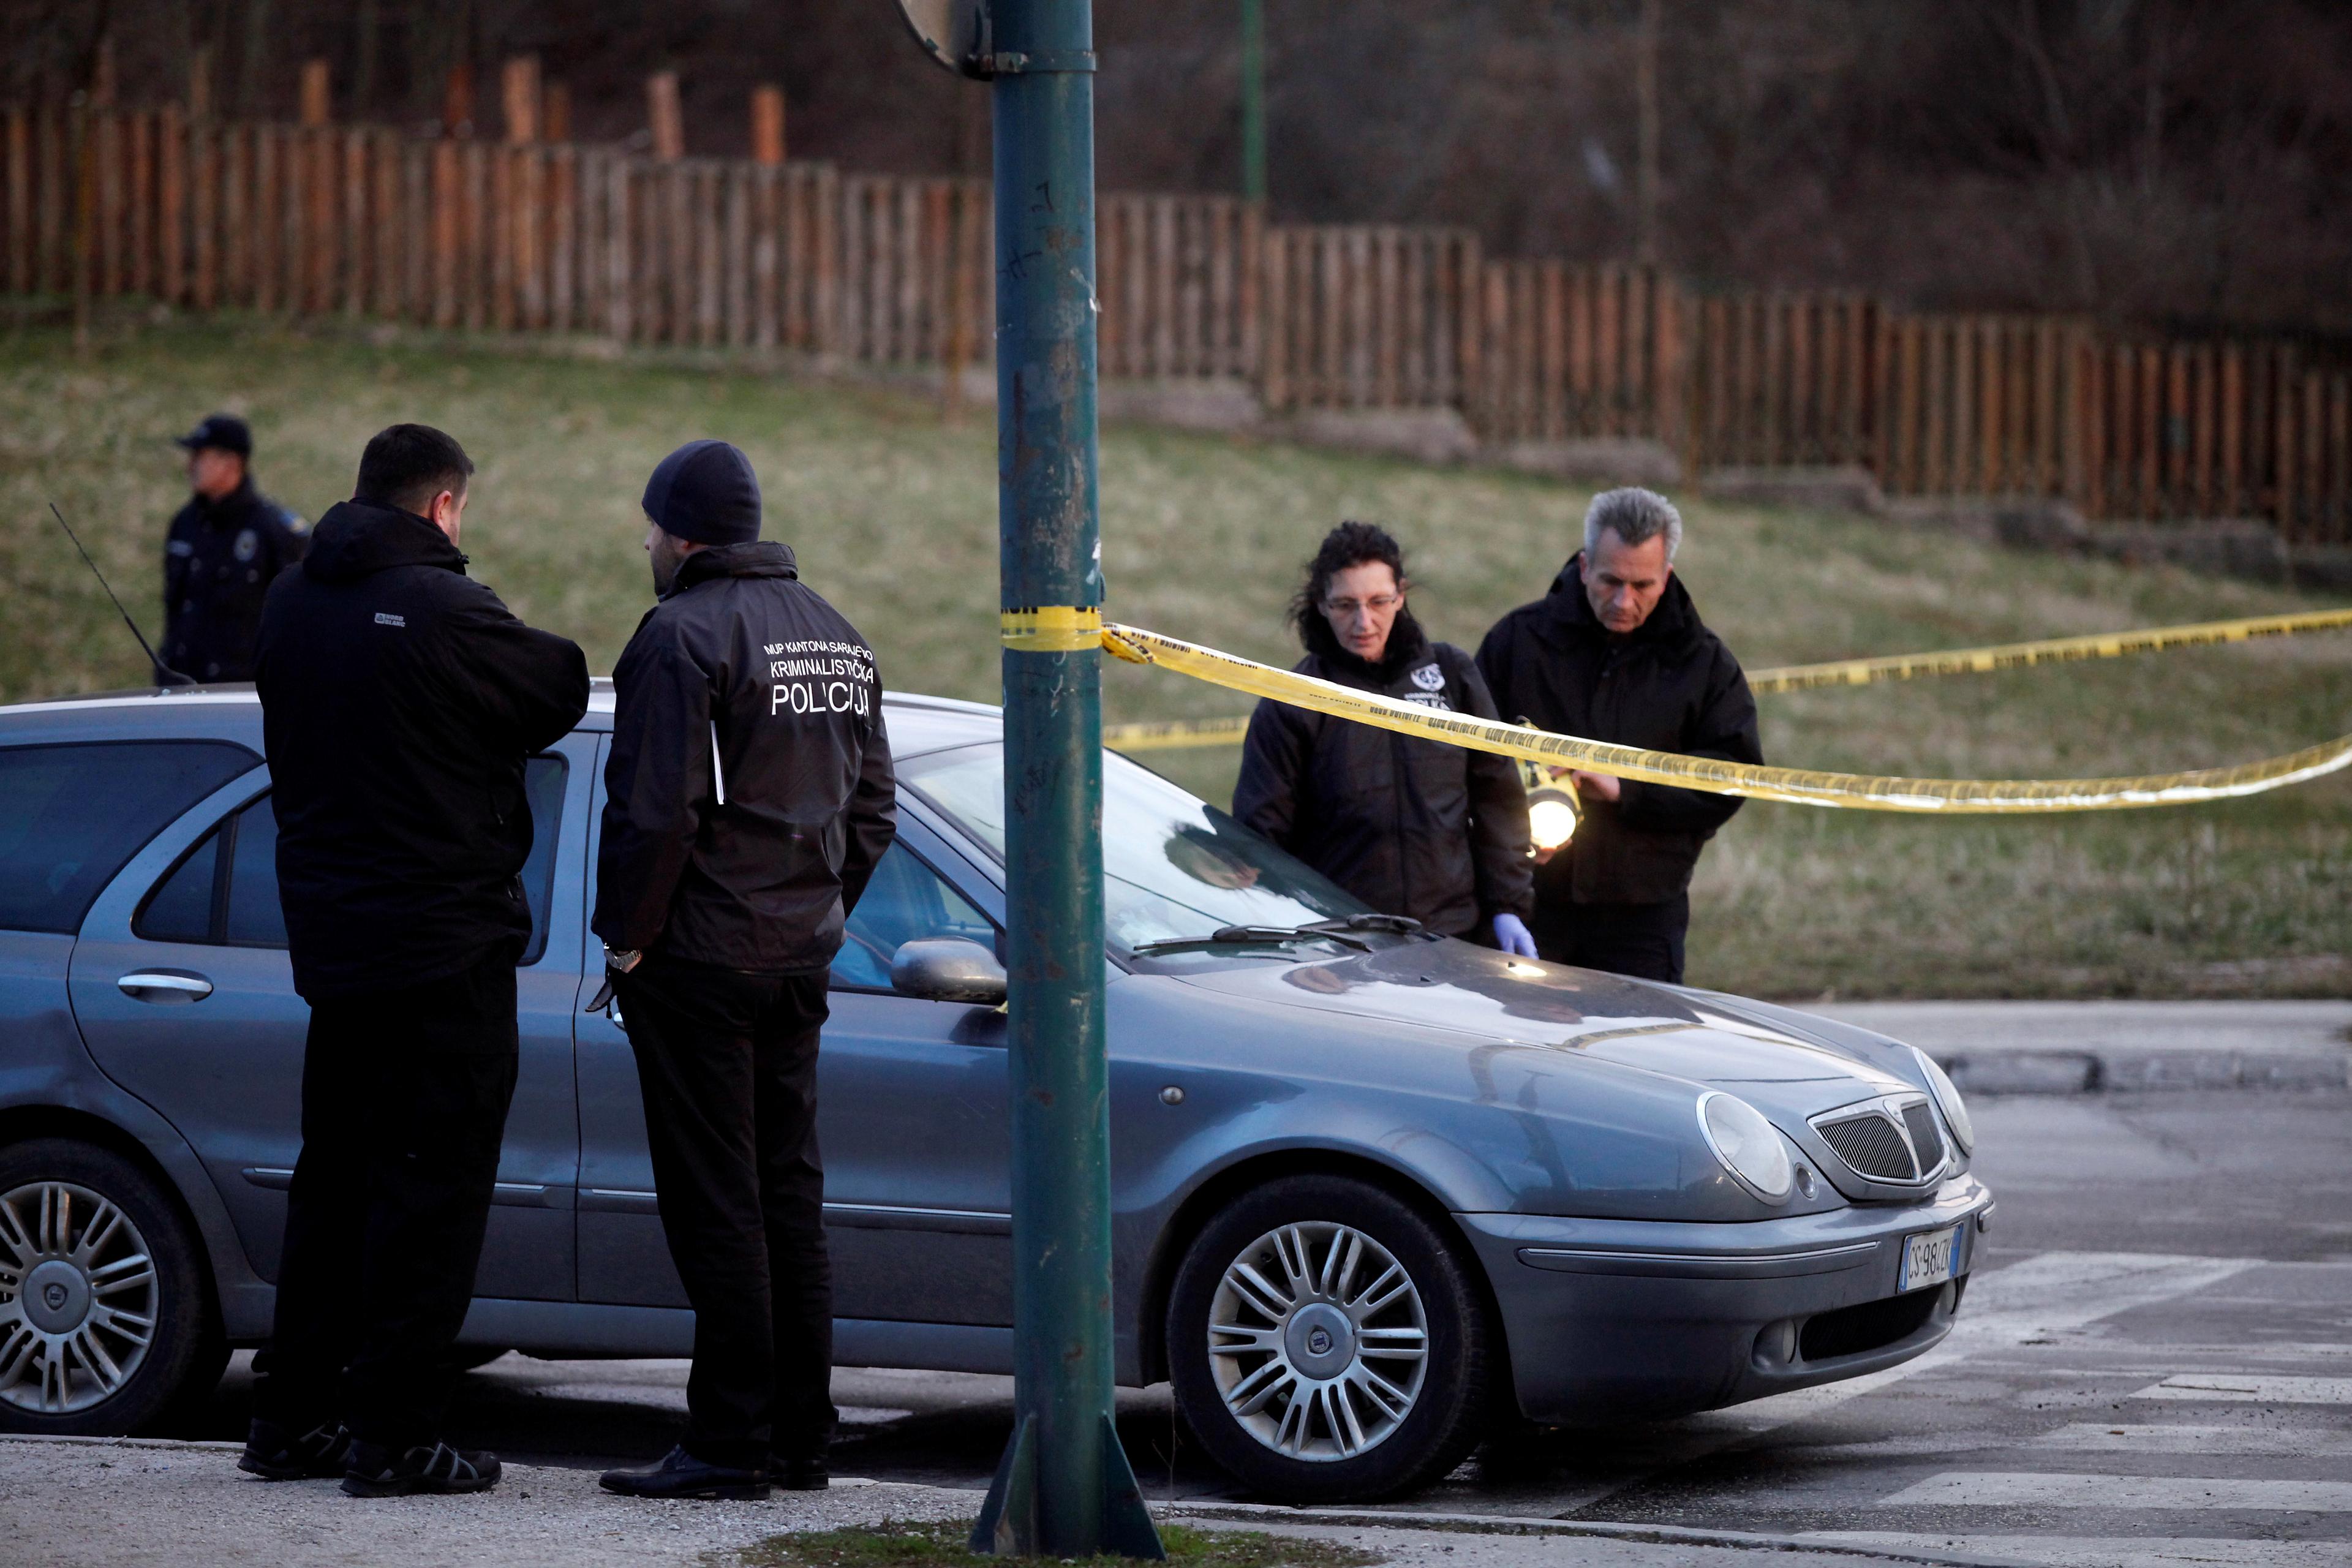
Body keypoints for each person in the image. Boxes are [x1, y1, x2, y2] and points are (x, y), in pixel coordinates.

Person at [244, 424, 589, 1497]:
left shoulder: (291, 602)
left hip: (336, 948)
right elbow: (560, 685)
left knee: (333, 1181)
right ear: (444, 506)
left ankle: (290, 1414)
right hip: (443, 948)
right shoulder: (445, 610)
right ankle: (395, 1434)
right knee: (432, 1191)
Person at [593, 440, 897, 1501]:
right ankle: (801, 1441)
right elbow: (874, 813)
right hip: (797, 961)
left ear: (683, 535)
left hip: (701, 963)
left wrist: (627, 936)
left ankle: (727, 1445)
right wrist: (817, 913)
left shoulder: (679, 637)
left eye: (650, 529)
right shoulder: (840, 637)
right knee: (788, 1199)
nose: (645, 545)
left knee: (718, 1206)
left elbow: (652, 811)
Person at [1475, 488, 1762, 984]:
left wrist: (1628, 788)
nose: (1624, 600)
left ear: (1667, 577)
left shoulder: (1704, 663)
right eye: (1610, 581)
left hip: (1643, 916)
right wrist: (1517, 814)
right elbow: (1465, 757)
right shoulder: (1518, 643)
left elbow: (1730, 777)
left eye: (1642, 585)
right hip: (1531, 900)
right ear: (1585, 567)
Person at [1234, 521, 1536, 954]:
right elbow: (1261, 840)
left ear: (1402, 595)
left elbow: (1499, 800)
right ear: (1320, 604)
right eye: (1344, 605)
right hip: (1341, 945)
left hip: (1454, 936)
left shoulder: (1451, 674)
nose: (1364, 622)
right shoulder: (1293, 700)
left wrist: (1508, 906)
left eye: (1379, 602)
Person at [162, 412, 309, 683]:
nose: (190, 466)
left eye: (199, 457)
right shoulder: (184, 524)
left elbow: (299, 619)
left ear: (231, 463)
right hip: (182, 690)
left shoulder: (275, 531)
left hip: (241, 694)